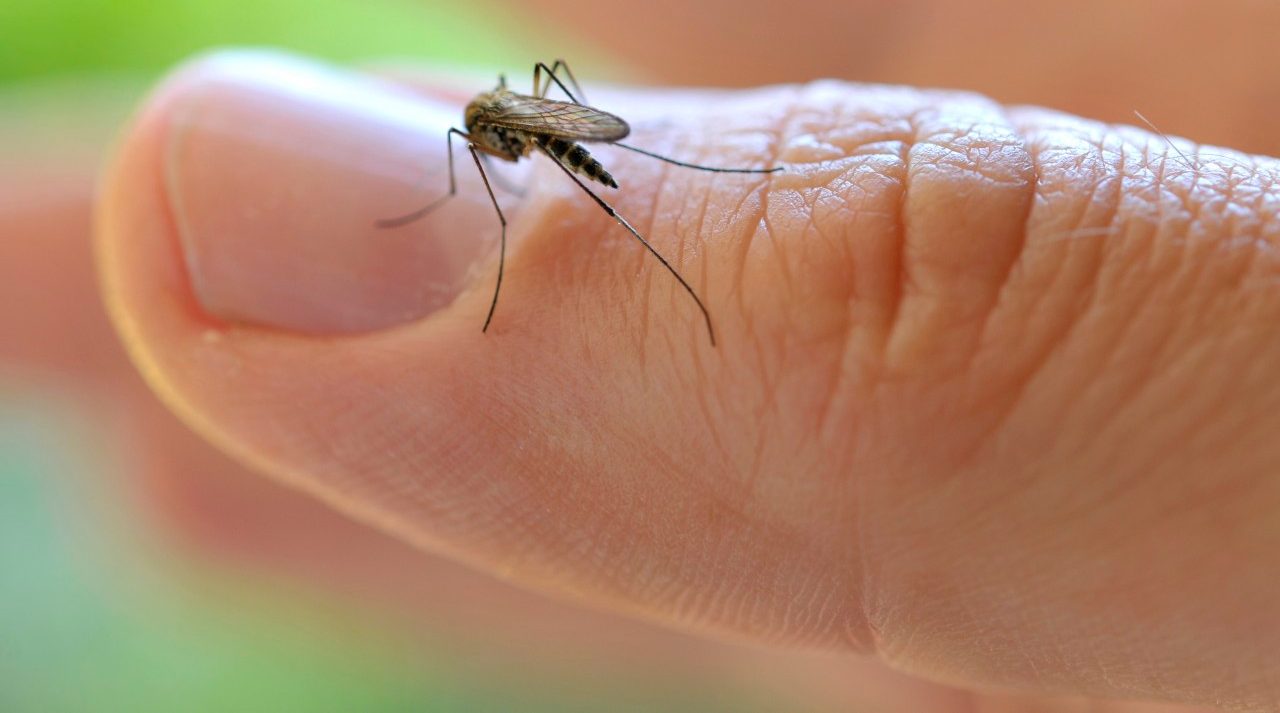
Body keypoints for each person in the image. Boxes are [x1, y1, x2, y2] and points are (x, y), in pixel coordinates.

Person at [10, 39, 1278, 711]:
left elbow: (525, 142)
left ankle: (688, 216)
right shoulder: (487, 127)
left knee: (597, 208)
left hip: (598, 149)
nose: (480, 146)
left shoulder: (512, 126)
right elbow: (488, 151)